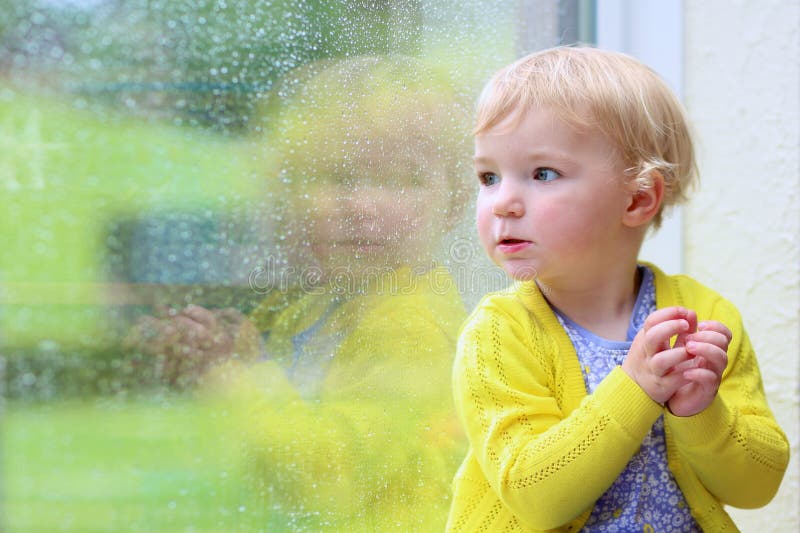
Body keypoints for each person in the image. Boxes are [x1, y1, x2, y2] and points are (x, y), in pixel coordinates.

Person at [447, 46, 790, 532]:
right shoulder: (499, 335)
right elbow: (533, 494)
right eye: (489, 176)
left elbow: (758, 487)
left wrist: (702, 412)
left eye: (543, 173)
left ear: (637, 198)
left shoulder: (705, 317)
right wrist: (635, 388)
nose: (502, 203)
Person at [126, 55, 472, 530]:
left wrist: (226, 375)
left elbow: (326, 482)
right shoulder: (316, 303)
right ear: (287, 195)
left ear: (454, 201)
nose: (362, 207)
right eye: (335, 177)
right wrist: (230, 348)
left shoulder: (412, 329)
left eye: (401, 180)